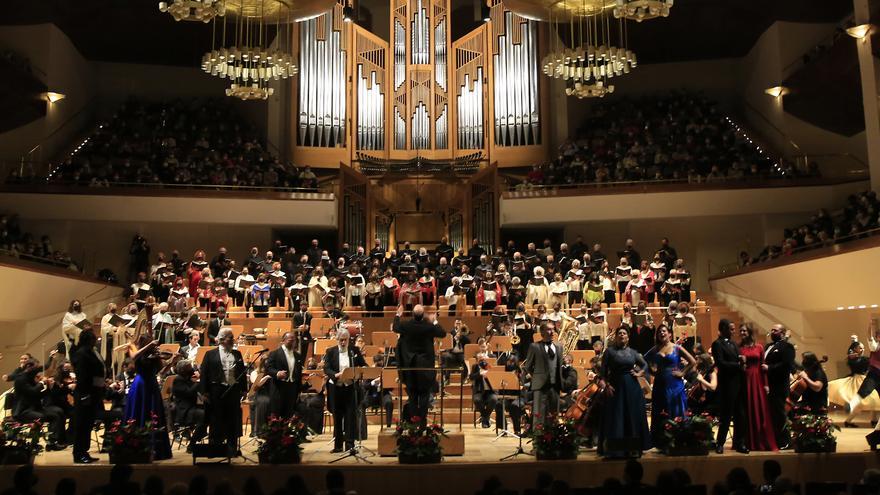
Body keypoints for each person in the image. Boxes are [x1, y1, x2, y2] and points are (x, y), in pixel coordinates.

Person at [596, 327, 651, 458]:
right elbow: (602, 372)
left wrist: (639, 373)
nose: (621, 335)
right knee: (616, 417)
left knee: (632, 415)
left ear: (628, 337)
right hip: (615, 387)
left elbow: (645, 365)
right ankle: (616, 449)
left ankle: (633, 448)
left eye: (624, 333)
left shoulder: (633, 352)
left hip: (632, 388)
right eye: (619, 333)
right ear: (616, 337)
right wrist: (607, 385)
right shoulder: (609, 352)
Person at [393, 304, 446, 422]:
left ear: (413, 314)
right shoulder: (428, 326)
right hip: (425, 368)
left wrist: (398, 314)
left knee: (412, 397)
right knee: (424, 396)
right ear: (423, 316)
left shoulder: (407, 325)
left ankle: (413, 425)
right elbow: (442, 333)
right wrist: (435, 321)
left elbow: (395, 327)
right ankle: (422, 424)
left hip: (410, 367)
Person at [645, 325, 695, 445]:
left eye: (664, 331)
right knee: (660, 409)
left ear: (669, 335)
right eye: (659, 332)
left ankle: (678, 438)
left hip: (675, 384)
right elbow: (644, 360)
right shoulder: (655, 349)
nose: (662, 333)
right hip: (660, 384)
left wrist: (682, 372)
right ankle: (660, 439)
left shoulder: (676, 347)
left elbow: (692, 361)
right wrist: (653, 372)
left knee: (675, 408)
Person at [199, 328, 246, 456]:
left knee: (233, 419)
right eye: (230, 337)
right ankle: (216, 447)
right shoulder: (210, 354)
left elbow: (242, 372)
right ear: (221, 340)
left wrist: (244, 389)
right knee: (216, 419)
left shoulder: (237, 354)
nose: (232, 340)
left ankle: (232, 448)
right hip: (216, 392)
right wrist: (203, 392)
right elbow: (204, 374)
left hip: (233, 391)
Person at [125, 335, 173, 460]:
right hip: (140, 385)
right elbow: (134, 357)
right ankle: (136, 447)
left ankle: (156, 449)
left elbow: (161, 371)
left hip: (152, 385)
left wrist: (173, 362)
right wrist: (148, 346)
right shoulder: (135, 350)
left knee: (154, 414)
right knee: (140, 413)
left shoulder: (154, 355)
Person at [323, 328, 368, 453]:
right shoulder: (330, 351)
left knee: (350, 416)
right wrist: (335, 375)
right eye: (341, 340)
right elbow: (326, 368)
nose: (343, 343)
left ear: (349, 340)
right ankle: (338, 446)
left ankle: (349, 444)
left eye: (345, 340)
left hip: (350, 388)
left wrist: (364, 369)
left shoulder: (354, 350)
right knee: (337, 417)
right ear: (337, 340)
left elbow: (363, 364)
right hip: (335, 388)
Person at [711, 318, 748, 454]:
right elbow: (720, 363)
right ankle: (720, 443)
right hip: (727, 384)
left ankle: (740, 443)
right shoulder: (717, 344)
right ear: (723, 329)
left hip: (738, 383)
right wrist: (738, 365)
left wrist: (741, 360)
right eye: (731, 329)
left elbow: (735, 359)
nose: (733, 332)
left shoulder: (733, 344)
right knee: (726, 416)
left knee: (740, 415)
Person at [13, 358, 66, 452]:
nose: (38, 371)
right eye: (36, 369)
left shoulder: (29, 378)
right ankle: (38, 443)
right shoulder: (21, 379)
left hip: (33, 408)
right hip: (23, 411)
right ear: (28, 367)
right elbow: (32, 392)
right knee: (41, 417)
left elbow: (38, 395)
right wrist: (42, 383)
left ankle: (54, 442)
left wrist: (49, 388)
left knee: (57, 414)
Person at [739, 323, 778, 452]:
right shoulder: (739, 347)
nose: (742, 333)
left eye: (744, 331)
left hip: (758, 380)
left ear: (749, 332)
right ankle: (748, 442)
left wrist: (766, 384)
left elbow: (763, 366)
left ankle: (761, 440)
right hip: (745, 379)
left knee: (759, 409)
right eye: (741, 331)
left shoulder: (759, 347)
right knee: (747, 410)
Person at [70, 330, 105, 463]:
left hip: (93, 392)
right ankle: (79, 454)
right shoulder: (82, 353)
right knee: (82, 425)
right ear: (89, 339)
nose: (95, 340)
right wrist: (85, 396)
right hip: (85, 394)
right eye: (93, 338)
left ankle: (84, 451)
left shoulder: (90, 351)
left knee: (88, 424)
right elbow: (82, 376)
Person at [522, 323, 563, 427]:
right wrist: (536, 376)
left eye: (553, 329)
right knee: (539, 415)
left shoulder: (559, 346)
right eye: (549, 330)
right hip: (540, 386)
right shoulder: (534, 346)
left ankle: (554, 439)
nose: (552, 332)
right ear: (542, 332)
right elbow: (528, 366)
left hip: (555, 385)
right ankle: (538, 439)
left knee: (554, 415)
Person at [763, 324, 795, 449]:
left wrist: (769, 368)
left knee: (780, 414)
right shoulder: (768, 347)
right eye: (771, 330)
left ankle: (785, 441)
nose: (772, 332)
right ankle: (774, 439)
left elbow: (786, 365)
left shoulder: (787, 347)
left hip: (779, 386)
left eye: (775, 330)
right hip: (768, 385)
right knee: (772, 414)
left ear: (782, 333)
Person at [266, 331, 303, 418]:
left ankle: (287, 431)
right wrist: (277, 373)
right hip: (278, 387)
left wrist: (299, 389)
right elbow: (268, 368)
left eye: (294, 341)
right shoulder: (274, 354)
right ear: (283, 340)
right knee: (277, 414)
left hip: (292, 387)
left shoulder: (297, 355)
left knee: (289, 414)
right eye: (290, 340)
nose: (293, 342)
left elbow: (299, 372)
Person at [171, 360, 206, 452]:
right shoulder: (178, 380)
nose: (192, 369)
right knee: (204, 416)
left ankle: (202, 436)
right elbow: (189, 393)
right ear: (183, 370)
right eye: (189, 367)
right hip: (184, 411)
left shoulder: (186, 378)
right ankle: (192, 443)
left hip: (191, 408)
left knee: (208, 413)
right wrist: (198, 381)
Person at [469, 353, 498, 428]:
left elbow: (497, 378)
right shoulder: (475, 367)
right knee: (477, 400)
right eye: (481, 360)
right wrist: (479, 373)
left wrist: (489, 374)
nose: (483, 361)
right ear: (477, 361)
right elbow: (471, 377)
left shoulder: (492, 367)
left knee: (494, 399)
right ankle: (486, 418)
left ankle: (484, 418)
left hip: (490, 391)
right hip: (479, 391)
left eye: (484, 359)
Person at [247, 356, 272, 436]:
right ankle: (259, 431)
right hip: (256, 394)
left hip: (267, 394)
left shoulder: (270, 372)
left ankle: (271, 430)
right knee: (263, 401)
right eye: (266, 364)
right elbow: (256, 384)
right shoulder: (254, 373)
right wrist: (266, 377)